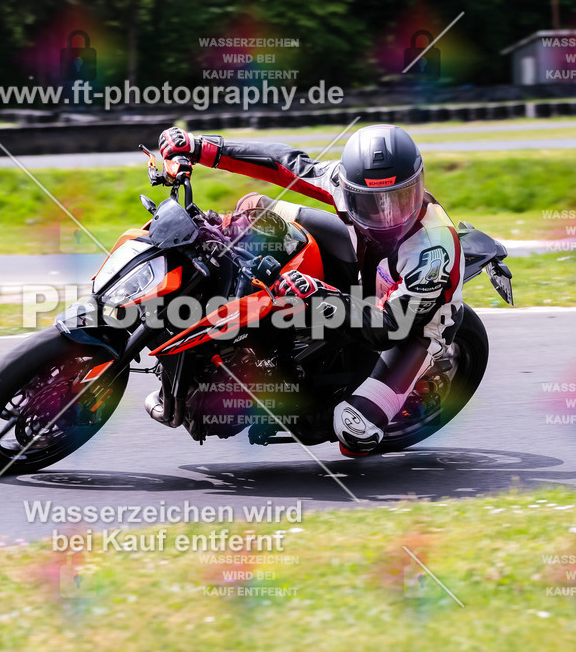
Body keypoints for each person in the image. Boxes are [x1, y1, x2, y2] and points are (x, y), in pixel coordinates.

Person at [157, 124, 463, 456]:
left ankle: (345, 408)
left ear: (418, 185)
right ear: (348, 188)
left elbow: (390, 329)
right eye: (370, 203)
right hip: (364, 277)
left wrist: (318, 294)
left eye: (399, 199)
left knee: (353, 432)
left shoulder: (432, 251)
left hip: (413, 326)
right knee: (257, 209)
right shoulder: (343, 184)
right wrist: (199, 146)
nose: (386, 216)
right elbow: (282, 162)